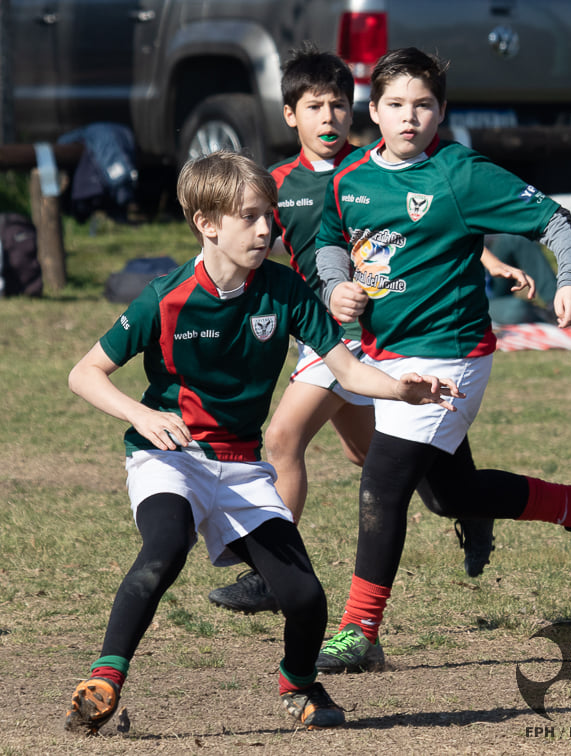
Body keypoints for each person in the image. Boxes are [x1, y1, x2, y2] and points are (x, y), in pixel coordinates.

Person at [62, 151, 460, 735]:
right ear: (207, 223)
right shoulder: (166, 298)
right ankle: (105, 677)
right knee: (164, 549)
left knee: (304, 597)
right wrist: (141, 415)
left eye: (268, 216)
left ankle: (298, 684)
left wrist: (402, 388)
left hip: (242, 466)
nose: (266, 229)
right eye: (249, 217)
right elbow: (84, 374)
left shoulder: (285, 289)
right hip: (170, 456)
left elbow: (349, 373)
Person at [311, 47, 571, 675]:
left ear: (441, 111)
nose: (409, 117)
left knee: (383, 483)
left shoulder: (459, 172)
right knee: (452, 495)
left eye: (423, 105)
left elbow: (554, 219)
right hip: (383, 355)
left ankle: (359, 631)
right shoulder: (348, 180)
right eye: (396, 104)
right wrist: (334, 284)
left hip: (451, 357)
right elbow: (327, 243)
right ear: (374, 111)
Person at [206, 47, 531, 615]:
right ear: (291, 115)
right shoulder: (279, 184)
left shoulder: (376, 165)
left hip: (375, 332)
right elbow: (248, 242)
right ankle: (467, 505)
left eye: (337, 105)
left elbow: (431, 227)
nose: (328, 117)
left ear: (358, 110)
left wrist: (490, 263)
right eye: (314, 107)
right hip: (322, 331)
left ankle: (271, 573)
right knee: (373, 460)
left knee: (286, 441)